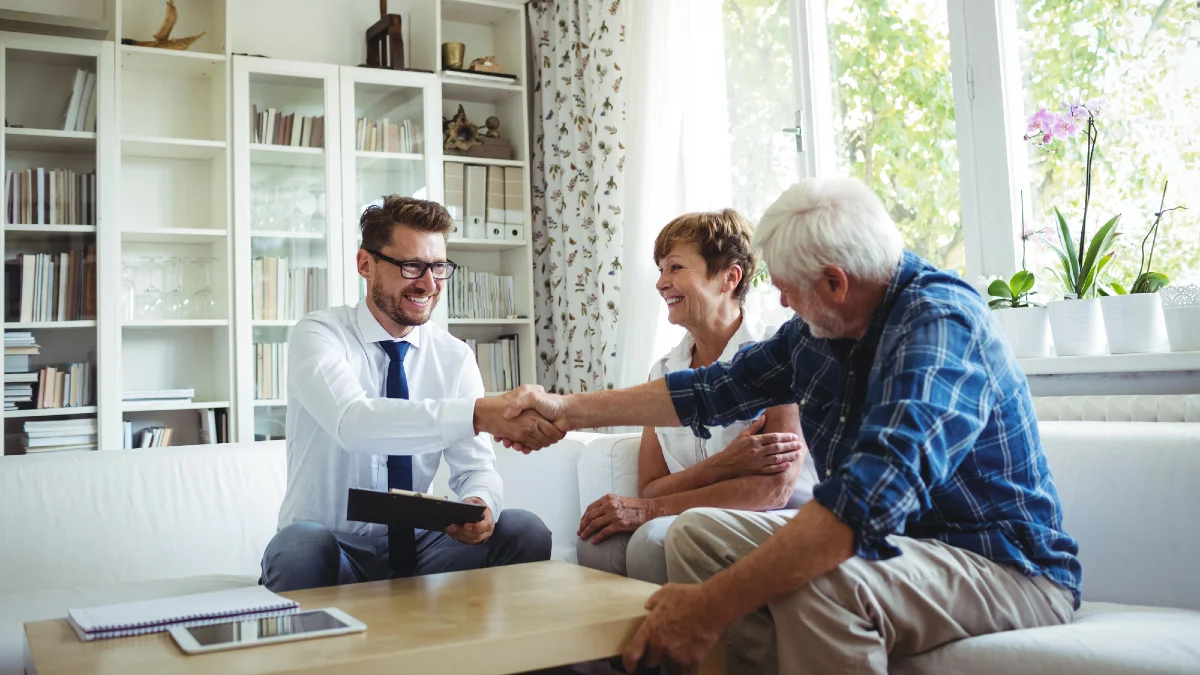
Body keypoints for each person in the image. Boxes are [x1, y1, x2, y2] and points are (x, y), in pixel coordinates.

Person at [498, 177, 1081, 675]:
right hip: (899, 549)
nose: (776, 295)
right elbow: (710, 390)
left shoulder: (938, 325)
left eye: (787, 284)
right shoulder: (818, 332)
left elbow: (865, 504)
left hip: (1000, 564)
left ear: (835, 282)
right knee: (699, 535)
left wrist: (707, 607)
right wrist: (565, 409)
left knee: (825, 580)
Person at [260, 196, 562, 592]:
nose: (429, 284)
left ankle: (474, 651)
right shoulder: (319, 335)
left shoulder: (453, 357)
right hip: (333, 545)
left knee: (523, 530)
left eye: (438, 267)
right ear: (365, 265)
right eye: (411, 266)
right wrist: (478, 413)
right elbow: (355, 423)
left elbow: (475, 468)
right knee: (299, 545)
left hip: (423, 546)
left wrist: (480, 503)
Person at [576, 209, 818, 584]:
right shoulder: (664, 371)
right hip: (690, 512)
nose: (661, 283)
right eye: (660, 269)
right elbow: (650, 486)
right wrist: (723, 465)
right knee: (596, 544)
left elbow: (773, 489)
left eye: (675, 267)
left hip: (773, 513)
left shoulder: (775, 353)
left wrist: (652, 509)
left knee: (652, 539)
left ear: (729, 277)